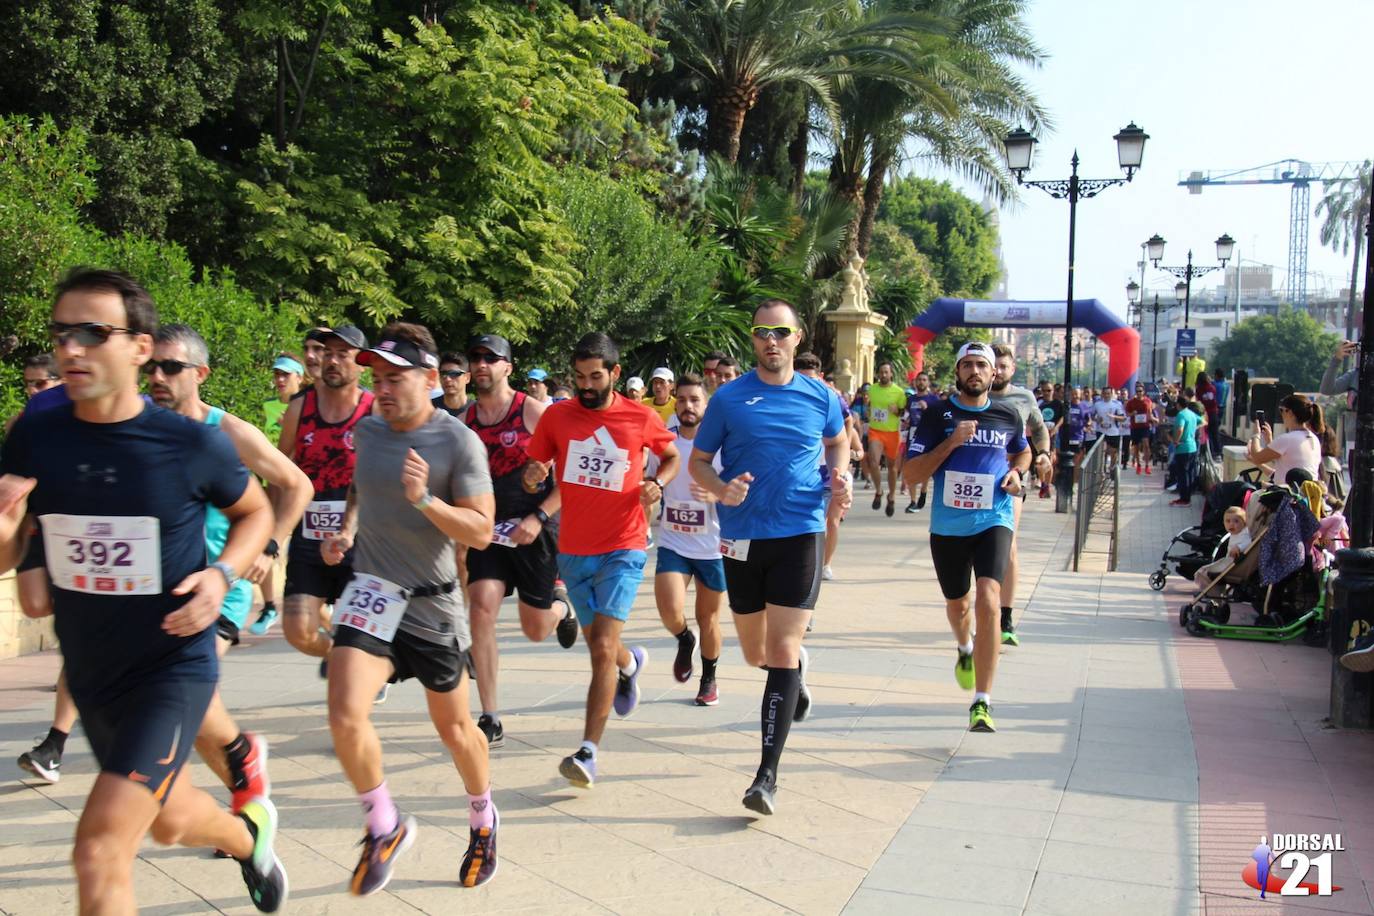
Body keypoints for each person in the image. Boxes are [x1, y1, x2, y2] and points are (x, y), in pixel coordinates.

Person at [0, 268, 286, 912]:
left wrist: (221, 575)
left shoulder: (189, 444)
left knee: (99, 848)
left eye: (92, 333)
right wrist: (8, 533)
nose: (71, 348)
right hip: (93, 673)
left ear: (139, 346)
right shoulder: (35, 436)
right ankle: (248, 836)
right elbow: (12, 561)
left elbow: (256, 512)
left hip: (170, 668)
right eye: (62, 332)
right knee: (171, 821)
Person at [319, 323, 500, 893]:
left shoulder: (458, 443)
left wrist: (425, 499)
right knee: (345, 712)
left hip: (432, 605)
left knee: (455, 731)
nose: (382, 390)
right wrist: (347, 528)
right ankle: (383, 824)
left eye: (394, 379)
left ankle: (483, 817)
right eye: (376, 379)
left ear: (427, 378)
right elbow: (359, 486)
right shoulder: (369, 431)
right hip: (372, 595)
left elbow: (481, 531)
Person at [690, 300, 851, 815]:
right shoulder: (729, 400)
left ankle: (766, 775)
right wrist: (720, 488)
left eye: (781, 332)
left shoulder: (820, 396)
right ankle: (796, 672)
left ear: (798, 338)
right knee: (757, 655)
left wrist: (839, 477)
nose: (771, 341)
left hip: (801, 533)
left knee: (779, 649)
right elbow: (697, 463)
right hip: (741, 539)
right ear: (754, 339)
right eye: (762, 332)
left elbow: (839, 441)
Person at [145, 324, 313, 814]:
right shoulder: (136, 424)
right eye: (151, 366)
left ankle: (230, 793)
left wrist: (270, 548)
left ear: (200, 374)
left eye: (171, 367)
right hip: (156, 587)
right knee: (196, 712)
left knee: (184, 696)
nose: (157, 376)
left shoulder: (229, 431)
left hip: (221, 585)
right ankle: (248, 786)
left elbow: (296, 485)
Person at [524, 332, 678, 788]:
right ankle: (631, 666)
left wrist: (659, 484)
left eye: (595, 377)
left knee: (599, 654)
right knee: (604, 650)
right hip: (573, 550)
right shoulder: (557, 416)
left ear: (614, 373)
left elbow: (669, 456)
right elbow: (536, 471)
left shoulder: (640, 416)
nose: (586, 386)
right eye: (579, 377)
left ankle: (588, 752)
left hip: (624, 544)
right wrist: (533, 478)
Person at [902, 341, 1031, 734]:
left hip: (994, 518)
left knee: (989, 601)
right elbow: (912, 476)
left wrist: (1017, 474)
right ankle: (964, 648)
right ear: (957, 373)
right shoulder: (937, 414)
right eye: (967, 365)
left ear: (994, 374)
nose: (975, 371)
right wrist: (952, 441)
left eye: (982, 365)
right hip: (949, 527)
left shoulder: (1008, 414)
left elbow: (1021, 452)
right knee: (959, 607)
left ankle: (982, 701)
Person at [462, 333, 577, 748]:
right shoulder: (465, 421)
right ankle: (490, 716)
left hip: (533, 528)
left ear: (508, 366)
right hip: (488, 532)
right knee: (481, 608)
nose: (481, 365)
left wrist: (540, 515)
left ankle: (561, 608)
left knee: (533, 630)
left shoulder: (534, 412)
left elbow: (571, 474)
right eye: (475, 357)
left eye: (490, 358)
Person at [276, 325, 375, 668]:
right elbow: (280, 470)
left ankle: (360, 665)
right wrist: (273, 530)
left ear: (362, 364)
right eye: (327, 352)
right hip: (309, 533)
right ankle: (340, 656)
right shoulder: (299, 408)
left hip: (363, 536)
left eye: (342, 354)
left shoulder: (374, 410)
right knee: (297, 629)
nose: (332, 361)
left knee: (357, 630)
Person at [652, 374, 726, 706]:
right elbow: (647, 479)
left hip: (712, 547)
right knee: (669, 609)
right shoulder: (664, 443)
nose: (687, 406)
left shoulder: (721, 447)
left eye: (695, 400)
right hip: (673, 542)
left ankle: (709, 677)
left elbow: (740, 494)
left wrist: (715, 494)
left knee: (708, 618)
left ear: (706, 406)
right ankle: (684, 639)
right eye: (681, 400)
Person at [988, 344, 1052, 648]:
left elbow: (1039, 430)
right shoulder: (970, 397)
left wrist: (1044, 455)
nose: (998, 370)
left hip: (1010, 479)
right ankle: (982, 610)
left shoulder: (1023, 398)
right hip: (974, 482)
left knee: (1008, 545)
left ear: (1012, 370)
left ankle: (1006, 617)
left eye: (1004, 366)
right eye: (994, 365)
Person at [250, 351, 305, 635]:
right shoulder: (268, 406)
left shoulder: (308, 406)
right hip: (271, 483)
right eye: (277, 374)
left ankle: (323, 601)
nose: (280, 379)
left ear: (300, 377)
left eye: (286, 374)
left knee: (300, 544)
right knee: (264, 541)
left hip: (300, 484)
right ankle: (270, 605)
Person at [1247, 395, 1323, 485]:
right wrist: (1270, 441)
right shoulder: (1314, 439)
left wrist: (1256, 435)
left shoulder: (1287, 439)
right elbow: (1287, 460)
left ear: (1290, 412)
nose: (1281, 414)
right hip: (1309, 495)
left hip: (1288, 495)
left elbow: (1257, 458)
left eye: (1281, 410)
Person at [865, 362, 906, 516]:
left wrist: (897, 410)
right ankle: (879, 491)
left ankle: (892, 496)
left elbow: (902, 412)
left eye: (886, 372)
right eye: (881, 372)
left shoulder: (898, 392)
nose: (883, 375)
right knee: (873, 461)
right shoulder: (872, 389)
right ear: (878, 374)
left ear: (891, 374)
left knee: (892, 468)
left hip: (892, 433)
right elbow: (870, 406)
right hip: (876, 431)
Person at [902, 372, 941, 512]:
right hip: (912, 435)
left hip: (927, 435)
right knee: (910, 465)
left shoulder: (934, 400)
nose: (921, 382)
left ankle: (923, 491)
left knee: (926, 466)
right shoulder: (911, 399)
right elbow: (905, 416)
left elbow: (939, 419)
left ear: (928, 383)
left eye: (924, 380)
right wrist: (904, 422)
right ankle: (912, 501)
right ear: (915, 382)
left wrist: (927, 410)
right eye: (919, 380)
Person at [1193, 506, 1252, 590]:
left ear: (1244, 523)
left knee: (1204, 572)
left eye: (1236, 521)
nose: (1231, 524)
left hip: (1234, 564)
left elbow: (1249, 541)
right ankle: (1211, 592)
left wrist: (1239, 547)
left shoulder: (1245, 533)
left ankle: (1212, 593)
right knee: (1203, 571)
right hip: (1230, 562)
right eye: (1227, 521)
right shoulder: (1234, 534)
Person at [1168, 392, 1201, 507]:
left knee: (1182, 474)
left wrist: (1176, 440)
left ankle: (1184, 499)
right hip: (1192, 447)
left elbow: (1180, 429)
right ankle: (1187, 497)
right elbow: (1203, 421)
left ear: (1178, 404)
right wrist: (1192, 430)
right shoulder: (1191, 414)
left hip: (1183, 448)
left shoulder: (1181, 415)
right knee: (1189, 473)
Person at [1125, 382, 1155, 475]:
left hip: (1145, 426)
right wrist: (1132, 414)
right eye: (1137, 391)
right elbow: (1127, 414)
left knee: (1146, 444)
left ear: (1143, 392)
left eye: (1140, 391)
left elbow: (1150, 413)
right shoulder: (1131, 402)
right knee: (1136, 447)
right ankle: (1138, 465)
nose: (1139, 393)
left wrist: (1153, 420)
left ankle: (1147, 465)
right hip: (1135, 427)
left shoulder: (1148, 401)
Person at [433, 352, 471, 417]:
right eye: (443, 373)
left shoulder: (478, 411)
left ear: (467, 377)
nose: (447, 379)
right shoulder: (429, 409)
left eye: (454, 373)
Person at [1194, 371, 1220, 458]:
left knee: (1207, 434)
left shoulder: (1199, 389)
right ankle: (1218, 452)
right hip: (1214, 413)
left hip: (1205, 414)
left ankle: (1210, 453)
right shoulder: (1213, 388)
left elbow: (1198, 401)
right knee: (1215, 433)